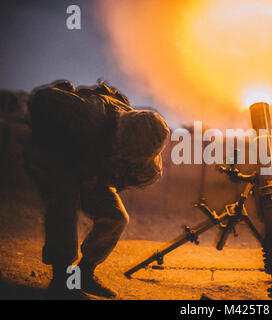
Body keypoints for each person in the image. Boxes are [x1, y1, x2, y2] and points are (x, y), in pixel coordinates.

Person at [25, 80, 170, 299]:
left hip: (89, 172)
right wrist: (83, 162)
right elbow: (41, 99)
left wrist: (98, 177)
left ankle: (82, 275)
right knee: (65, 202)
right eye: (118, 151)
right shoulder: (91, 114)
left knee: (117, 217)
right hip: (54, 156)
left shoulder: (147, 169)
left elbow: (121, 180)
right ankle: (62, 281)